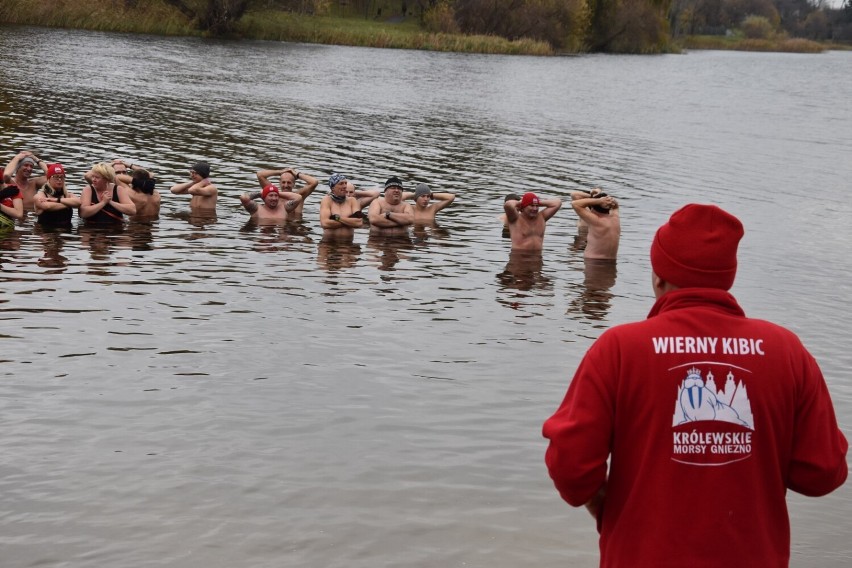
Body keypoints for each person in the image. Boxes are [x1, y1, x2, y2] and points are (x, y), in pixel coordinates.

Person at [542, 204, 848, 568]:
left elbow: (571, 466)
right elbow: (822, 473)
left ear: (658, 277)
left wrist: (601, 501)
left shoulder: (620, 349)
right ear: (728, 278)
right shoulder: (786, 351)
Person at [569, 188, 620, 260]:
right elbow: (616, 206)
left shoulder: (596, 221)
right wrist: (602, 198)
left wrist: (599, 200)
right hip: (611, 261)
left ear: (592, 208)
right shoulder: (615, 219)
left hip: (593, 262)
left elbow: (575, 204)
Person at [254, 166, 318, 218]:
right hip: (278, 225)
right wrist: (280, 172)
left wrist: (297, 174)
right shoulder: (273, 195)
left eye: (289, 183)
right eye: (283, 182)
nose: (286, 185)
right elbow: (260, 175)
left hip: (295, 228)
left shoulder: (300, 196)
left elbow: (314, 182)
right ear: (279, 183)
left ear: (293, 184)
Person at [34, 163, 81, 228]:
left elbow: (78, 202)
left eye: (61, 177)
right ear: (49, 179)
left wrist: (57, 200)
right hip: (47, 233)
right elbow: (48, 206)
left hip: (66, 234)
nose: (59, 180)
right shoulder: (40, 195)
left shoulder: (68, 195)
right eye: (55, 177)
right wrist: (69, 203)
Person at [320, 173, 363, 240]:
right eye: (341, 184)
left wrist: (337, 218)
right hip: (328, 243)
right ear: (333, 188)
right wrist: (350, 221)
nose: (345, 186)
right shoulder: (327, 200)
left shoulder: (352, 201)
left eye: (345, 183)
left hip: (348, 244)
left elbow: (359, 222)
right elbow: (325, 223)